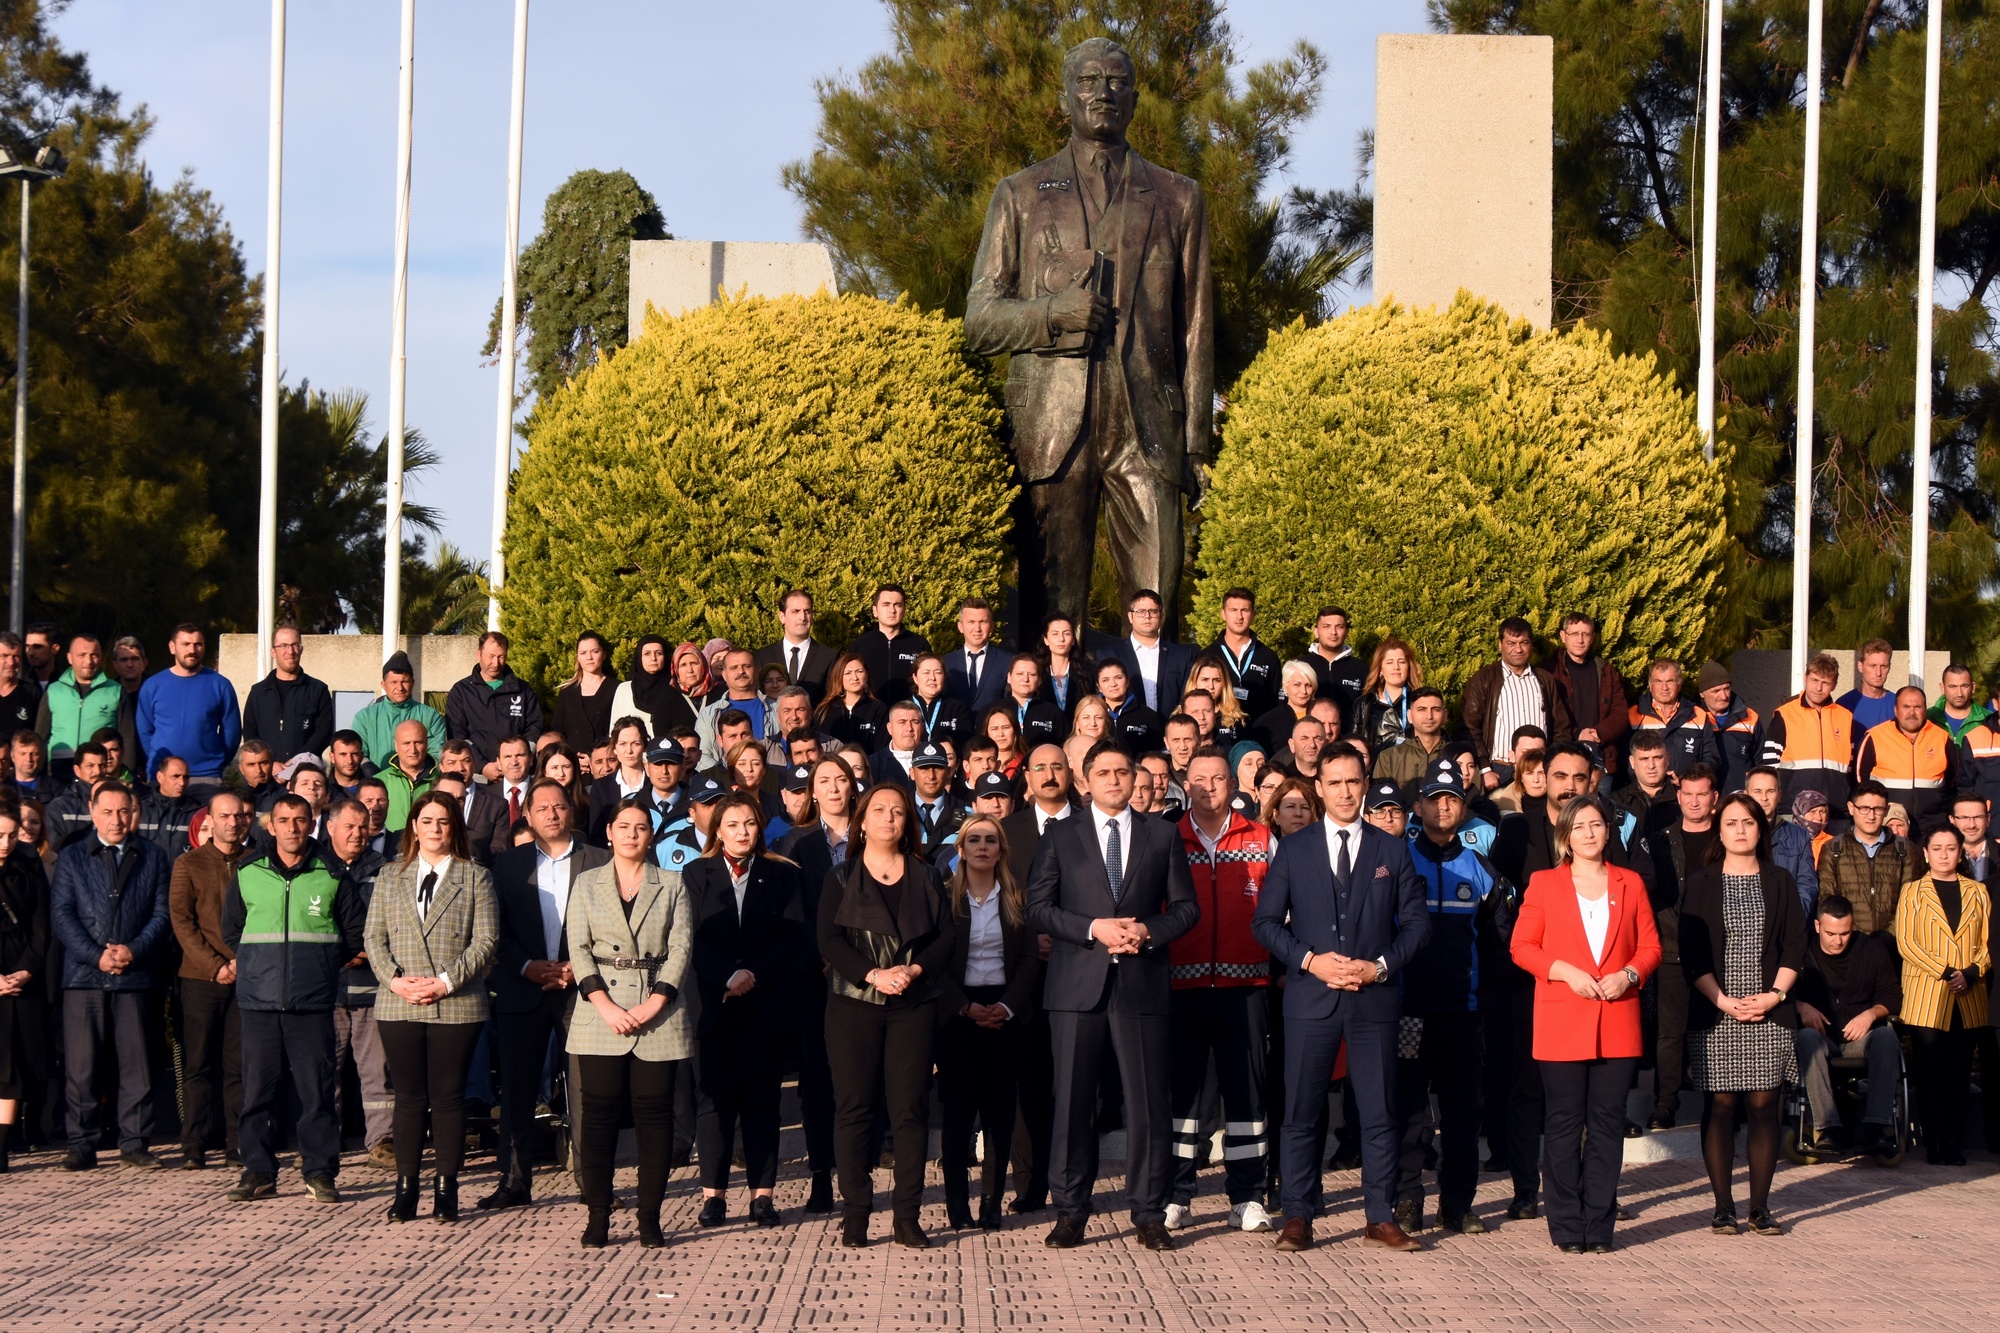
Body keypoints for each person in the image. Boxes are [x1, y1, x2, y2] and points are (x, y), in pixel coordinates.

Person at [1253, 745, 1429, 1252]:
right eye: (1335, 783)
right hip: (1311, 998)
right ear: (1321, 788)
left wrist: (1378, 968)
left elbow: (1418, 926)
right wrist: (1311, 961)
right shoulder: (1295, 847)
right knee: (1302, 1114)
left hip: (1373, 1000)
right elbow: (1264, 923)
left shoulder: (1392, 850)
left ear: (1365, 783)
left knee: (1378, 1112)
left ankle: (1380, 1214)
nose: (1346, 792)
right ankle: (1298, 1215)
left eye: (1354, 782)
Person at [1025, 739, 1197, 1251]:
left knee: (1147, 1106)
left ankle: (1148, 1212)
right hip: (1077, 985)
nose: (1115, 780)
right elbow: (1038, 908)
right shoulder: (1061, 835)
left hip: (1141, 984)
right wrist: (1093, 927)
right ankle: (1071, 1211)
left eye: (1124, 771)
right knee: (1073, 1104)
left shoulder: (1162, 835)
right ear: (1086, 780)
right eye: (1104, 772)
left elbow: (1186, 909)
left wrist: (1148, 931)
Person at [1509, 793, 1660, 1254]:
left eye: (1596, 824)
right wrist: (1566, 971)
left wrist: (1629, 974)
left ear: (1608, 832)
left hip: (1617, 1019)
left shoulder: (1630, 883)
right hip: (1562, 1020)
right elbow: (1522, 947)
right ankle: (1566, 1223)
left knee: (1608, 1126)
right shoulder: (1544, 884)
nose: (1589, 833)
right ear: (1565, 837)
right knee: (1562, 1126)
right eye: (1579, 827)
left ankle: (1599, 1224)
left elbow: (1651, 947)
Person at [819, 782, 957, 1248]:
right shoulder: (840, 877)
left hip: (913, 1007)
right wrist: (874, 975)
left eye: (898, 812)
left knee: (910, 1112)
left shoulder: (926, 875)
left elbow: (945, 938)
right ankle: (855, 1213)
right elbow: (829, 941)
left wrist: (914, 969)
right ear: (862, 820)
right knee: (855, 1110)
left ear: (908, 822)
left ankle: (907, 1216)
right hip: (854, 1005)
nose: (888, 819)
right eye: (878, 810)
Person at [219, 794, 366, 1203]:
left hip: (313, 1003)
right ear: (271, 825)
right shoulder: (248, 872)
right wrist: (256, 966)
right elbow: (231, 930)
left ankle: (319, 1171)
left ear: (312, 823)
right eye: (284, 820)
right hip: (259, 1002)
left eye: (300, 820)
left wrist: (319, 965)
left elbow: (354, 933)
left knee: (317, 1092)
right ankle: (258, 1171)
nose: (292, 828)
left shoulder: (334, 874)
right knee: (257, 1094)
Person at [364, 790, 500, 1223]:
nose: (435, 829)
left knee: (447, 1098)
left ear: (453, 827)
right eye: (427, 821)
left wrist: (444, 983)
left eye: (443, 821)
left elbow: (486, 941)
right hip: (399, 1000)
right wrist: (396, 981)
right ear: (414, 827)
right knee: (407, 1097)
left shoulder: (475, 877)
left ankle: (446, 1186)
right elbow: (373, 938)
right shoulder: (390, 876)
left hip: (455, 1002)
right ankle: (405, 1186)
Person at [566, 797, 695, 1248]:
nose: (632, 834)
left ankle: (649, 1216)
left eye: (641, 827)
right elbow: (578, 949)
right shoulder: (585, 884)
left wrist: (654, 1003)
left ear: (651, 834)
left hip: (657, 1011)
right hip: (598, 1011)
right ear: (609, 832)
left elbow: (680, 949)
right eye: (624, 826)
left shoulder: (673, 884)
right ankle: (598, 1215)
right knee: (597, 1118)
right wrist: (603, 1004)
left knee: (655, 1117)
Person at [1395, 759, 1513, 1236]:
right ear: (1418, 805)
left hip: (1464, 1013)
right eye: (1434, 798)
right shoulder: (1399, 862)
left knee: (1463, 1110)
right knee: (1406, 1108)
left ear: (1464, 809)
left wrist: (1486, 997)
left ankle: (1457, 1202)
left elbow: (1500, 940)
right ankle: (1406, 1200)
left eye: (1453, 799)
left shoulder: (1480, 868)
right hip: (1409, 1010)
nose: (1444, 807)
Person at [1679, 792, 1806, 1236]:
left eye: (1748, 823)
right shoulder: (1701, 882)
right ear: (1720, 828)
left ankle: (1760, 1207)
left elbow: (1795, 945)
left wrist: (1774, 996)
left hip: (1768, 1008)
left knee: (1764, 1104)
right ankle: (1721, 1206)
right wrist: (1723, 1001)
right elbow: (1692, 954)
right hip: (1717, 1009)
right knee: (1721, 1104)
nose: (1739, 830)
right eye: (1731, 822)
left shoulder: (1780, 880)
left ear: (1760, 829)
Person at [480, 779, 610, 1209]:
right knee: (518, 1091)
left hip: (583, 992)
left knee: (586, 1092)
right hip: (523, 989)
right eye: (544, 808)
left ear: (571, 813)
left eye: (560, 806)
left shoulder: (600, 861)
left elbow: (611, 926)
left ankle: (592, 1184)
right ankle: (514, 1181)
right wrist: (526, 966)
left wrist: (581, 965)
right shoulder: (508, 865)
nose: (553, 814)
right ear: (529, 817)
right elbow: (493, 931)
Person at [686, 792, 807, 1227]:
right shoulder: (695, 873)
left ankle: (762, 1195)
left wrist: (752, 975)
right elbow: (690, 938)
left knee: (761, 1102)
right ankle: (713, 1195)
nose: (742, 832)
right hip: (714, 1004)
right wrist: (727, 977)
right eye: (733, 824)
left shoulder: (782, 875)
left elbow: (792, 936)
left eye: (750, 824)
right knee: (714, 1101)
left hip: (765, 1002)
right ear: (717, 830)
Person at [1166, 747, 1274, 1233]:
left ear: (1234, 784)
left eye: (1218, 778)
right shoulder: (1169, 838)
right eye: (1199, 779)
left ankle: (1248, 1195)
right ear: (1186, 785)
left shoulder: (1262, 838)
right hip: (1182, 986)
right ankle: (1178, 1193)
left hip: (1246, 985)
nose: (1208, 786)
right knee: (1183, 1095)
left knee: (1246, 1094)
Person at [49, 782, 172, 1170]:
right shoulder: (71, 857)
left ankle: (135, 1143)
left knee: (137, 1064)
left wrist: (132, 950)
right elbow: (62, 916)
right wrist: (96, 956)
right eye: (108, 812)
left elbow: (161, 914)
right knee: (82, 1066)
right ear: (92, 810)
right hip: (84, 977)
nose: (117, 820)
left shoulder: (152, 856)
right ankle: (81, 1143)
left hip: (136, 977)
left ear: (134, 812)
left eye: (124, 811)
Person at [774, 756, 860, 1215]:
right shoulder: (796, 841)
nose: (831, 788)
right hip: (814, 976)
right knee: (816, 1077)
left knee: (861, 1077)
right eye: (822, 781)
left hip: (867, 974)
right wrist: (826, 954)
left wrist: (854, 959)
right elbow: (792, 913)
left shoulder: (870, 837)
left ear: (852, 786)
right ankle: (821, 1175)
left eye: (840, 780)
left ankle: (855, 1171)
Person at [1893, 824, 1990, 1165]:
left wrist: (1973, 972)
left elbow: (1988, 944)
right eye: (1938, 848)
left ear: (1960, 851)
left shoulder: (1978, 891)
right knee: (1931, 1071)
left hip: (1969, 993)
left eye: (1951, 848)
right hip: (1928, 993)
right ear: (1926, 852)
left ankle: (1955, 1141)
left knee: (1960, 1073)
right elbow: (1907, 943)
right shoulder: (1912, 892)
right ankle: (1934, 1141)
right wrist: (1948, 972)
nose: (1944, 854)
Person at [170, 789, 253, 1169]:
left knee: (239, 1066)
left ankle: (238, 1144)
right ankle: (194, 1145)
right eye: (225, 816)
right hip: (200, 979)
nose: (233, 823)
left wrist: (240, 963)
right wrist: (216, 965)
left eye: (239, 816)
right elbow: (182, 924)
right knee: (198, 1065)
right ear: (211, 821)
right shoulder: (188, 864)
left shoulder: (258, 863)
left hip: (246, 978)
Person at [1642, 763, 1722, 1131]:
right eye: (1687, 793)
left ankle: (1718, 1107)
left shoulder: (1726, 842)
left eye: (1701, 794)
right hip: (1671, 946)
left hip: (1717, 950)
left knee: (1713, 1030)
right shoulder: (1660, 840)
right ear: (1678, 796)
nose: (1693, 801)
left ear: (1715, 798)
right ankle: (1665, 1105)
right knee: (1670, 1032)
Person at [1792, 893, 1902, 1156]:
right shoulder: (1802, 950)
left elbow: (1892, 997)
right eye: (1831, 933)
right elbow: (1780, 991)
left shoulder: (1870, 949)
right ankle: (1829, 1128)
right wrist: (1800, 1005)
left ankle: (1877, 1127)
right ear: (1818, 926)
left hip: (1859, 1039)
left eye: (1844, 933)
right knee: (1806, 1038)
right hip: (1820, 1036)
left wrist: (1871, 1014)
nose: (1838, 940)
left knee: (1887, 1037)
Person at [1459, 617, 1571, 788]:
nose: (1518, 649)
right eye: (1511, 643)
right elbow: (1469, 727)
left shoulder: (1545, 679)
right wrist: (1484, 768)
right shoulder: (1485, 679)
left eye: (1523, 642)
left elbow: (1561, 727)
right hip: (1499, 771)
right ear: (1500, 645)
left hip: (1538, 770)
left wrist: (1552, 763)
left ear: (1531, 645)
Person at [135, 625, 242, 795]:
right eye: (185, 644)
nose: (192, 650)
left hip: (206, 778)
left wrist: (216, 762)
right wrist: (163, 765)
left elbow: (232, 732)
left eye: (198, 644)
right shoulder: (153, 686)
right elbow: (144, 731)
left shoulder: (220, 685)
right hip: (163, 778)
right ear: (172, 647)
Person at [0, 804, 48, 1174]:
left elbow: (41, 925)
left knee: (16, 1063)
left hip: (21, 977)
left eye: (12, 836)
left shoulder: (29, 866)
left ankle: (2, 1145)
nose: (5, 843)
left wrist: (26, 970)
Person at [1818, 779, 1920, 938]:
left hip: (1893, 943)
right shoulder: (1833, 849)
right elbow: (1828, 900)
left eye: (1878, 809)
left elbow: (1910, 902)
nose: (1871, 816)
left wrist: (1886, 938)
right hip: (1849, 942)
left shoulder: (1906, 849)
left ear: (1886, 811)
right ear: (1851, 808)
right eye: (1864, 808)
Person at [1760, 652, 1856, 814]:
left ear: (1834, 685)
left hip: (1836, 810)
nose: (1819, 688)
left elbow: (1850, 767)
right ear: (1805, 678)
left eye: (1825, 683)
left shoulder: (1845, 717)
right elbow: (1769, 765)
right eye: (1815, 680)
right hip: (1793, 809)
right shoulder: (1784, 714)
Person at [1853, 685, 1957, 828]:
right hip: (1888, 823)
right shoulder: (1875, 737)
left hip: (1931, 823)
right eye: (1906, 707)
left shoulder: (1942, 738)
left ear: (1925, 709)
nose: (1912, 712)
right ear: (1896, 710)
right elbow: (1860, 780)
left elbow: (1953, 779)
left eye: (1917, 707)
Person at [446, 632, 545, 780]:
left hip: (517, 776)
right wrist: (482, 766)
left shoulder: (523, 690)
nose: (496, 663)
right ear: (479, 654)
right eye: (491, 657)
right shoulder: (461, 691)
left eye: (501, 656)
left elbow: (535, 727)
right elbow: (457, 735)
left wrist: (519, 760)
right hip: (478, 777)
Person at [1546, 613, 1631, 778]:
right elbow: (1546, 714)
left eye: (1585, 634)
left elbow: (1620, 713)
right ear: (1563, 636)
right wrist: (1577, 734)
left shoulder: (1606, 671)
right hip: (1563, 759)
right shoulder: (1549, 672)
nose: (1580, 639)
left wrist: (1598, 733)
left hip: (1600, 760)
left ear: (1592, 638)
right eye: (1574, 634)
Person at [239, 627, 334, 764]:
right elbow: (250, 734)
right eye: (283, 645)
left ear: (301, 649)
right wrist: (270, 764)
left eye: (295, 645)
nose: (290, 651)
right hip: (267, 775)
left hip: (303, 775)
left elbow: (323, 733)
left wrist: (295, 763)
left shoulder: (318, 690)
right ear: (273, 652)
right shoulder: (258, 692)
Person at [1095, 589, 1195, 714]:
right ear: (1130, 616)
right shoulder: (1111, 654)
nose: (1147, 616)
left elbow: (1188, 697)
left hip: (1172, 728)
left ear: (1161, 617)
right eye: (1140, 611)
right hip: (1127, 728)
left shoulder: (1181, 656)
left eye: (1153, 611)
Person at [37, 633, 125, 771]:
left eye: (94, 655)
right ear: (70, 658)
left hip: (99, 768)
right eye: (82, 655)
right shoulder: (54, 691)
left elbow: (127, 737)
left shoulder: (115, 691)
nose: (89, 661)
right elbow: (40, 735)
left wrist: (127, 770)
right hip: (58, 768)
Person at [1743, 767, 1821, 913]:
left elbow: (1807, 884)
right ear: (1746, 795)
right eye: (1758, 791)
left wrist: (1793, 919)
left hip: (1788, 920)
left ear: (1779, 795)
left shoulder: (1799, 836)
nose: (1764, 798)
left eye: (1770, 791)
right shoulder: (1735, 833)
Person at [352, 651, 446, 769]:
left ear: (413, 683)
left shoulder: (431, 716)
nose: (400, 688)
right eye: (394, 682)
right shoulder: (364, 718)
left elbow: (437, 754)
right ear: (383, 684)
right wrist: (374, 776)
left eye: (404, 682)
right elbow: (358, 754)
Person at [1628, 660, 1722, 776]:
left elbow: (1711, 758)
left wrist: (1687, 780)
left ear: (1679, 684)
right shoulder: (1634, 715)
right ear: (1650, 685)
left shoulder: (1698, 715)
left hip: (1685, 791)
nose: (1664, 687)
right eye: (1658, 681)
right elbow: (1624, 758)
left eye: (1670, 681)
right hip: (1644, 791)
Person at [846, 584, 932, 705]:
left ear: (904, 610)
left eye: (897, 605)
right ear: (875, 611)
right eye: (886, 604)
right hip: (870, 715)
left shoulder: (919, 644)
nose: (892, 610)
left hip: (908, 715)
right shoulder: (860, 645)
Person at [754, 589, 837, 705]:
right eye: (796, 611)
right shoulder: (762, 656)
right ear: (782, 616)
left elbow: (831, 700)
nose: (802, 617)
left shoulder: (829, 657)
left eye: (807, 611)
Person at [1208, 588, 1281, 720]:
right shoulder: (1207, 655)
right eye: (1233, 610)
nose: (1239, 617)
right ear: (1223, 614)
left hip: (1259, 734)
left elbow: (1276, 703)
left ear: (1253, 614)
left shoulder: (1268, 657)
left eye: (1245, 611)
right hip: (1219, 735)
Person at [1372, 687, 1451, 797]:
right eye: (1421, 709)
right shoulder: (1389, 758)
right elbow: (1380, 801)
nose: (1429, 716)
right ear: (1410, 716)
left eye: (1436, 709)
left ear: (1445, 715)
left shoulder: (1459, 756)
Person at [550, 631, 619, 752]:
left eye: (595, 651)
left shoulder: (617, 688)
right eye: (583, 653)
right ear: (578, 657)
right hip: (574, 763)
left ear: (604, 654)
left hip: (605, 761)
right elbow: (558, 731)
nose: (589, 657)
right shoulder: (567, 692)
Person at [1353, 636, 1421, 756]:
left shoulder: (1420, 701)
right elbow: (1355, 744)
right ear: (1380, 669)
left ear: (1409, 667)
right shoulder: (1365, 703)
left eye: (1401, 662)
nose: (1396, 667)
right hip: (1378, 770)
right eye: (1389, 662)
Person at [943, 597, 1014, 713]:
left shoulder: (1008, 662)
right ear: (960, 627)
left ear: (991, 626)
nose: (977, 628)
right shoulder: (946, 663)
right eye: (971, 622)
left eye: (983, 622)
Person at [1303, 605, 1365, 712]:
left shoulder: (1361, 668)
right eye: (1326, 626)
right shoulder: (1301, 666)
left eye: (1339, 626)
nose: (1333, 632)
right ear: (1316, 632)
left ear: (1346, 632)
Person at [1250, 660, 1318, 755]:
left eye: (1308, 685)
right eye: (1297, 685)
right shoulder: (1267, 721)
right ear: (1285, 687)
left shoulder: (1323, 717)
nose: (1303, 691)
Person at [1837, 638, 1898, 732]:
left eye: (1883, 666)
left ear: (1889, 667)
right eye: (1873, 666)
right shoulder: (1844, 704)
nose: (1878, 673)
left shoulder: (1897, 704)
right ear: (1860, 666)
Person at [1929, 662, 1992, 742]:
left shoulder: (1990, 720)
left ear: (1973, 687)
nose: (1959, 694)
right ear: (1942, 688)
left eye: (1964, 686)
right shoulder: (1927, 719)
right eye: (1952, 687)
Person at [0, 631, 43, 739]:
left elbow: (38, 735)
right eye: (4, 656)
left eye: (16, 656)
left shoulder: (32, 692)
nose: (11, 662)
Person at [1492, 750, 1547, 814]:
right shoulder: (1503, 808)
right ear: (1521, 777)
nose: (1536, 780)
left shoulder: (1560, 806)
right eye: (1529, 773)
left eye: (1541, 773)